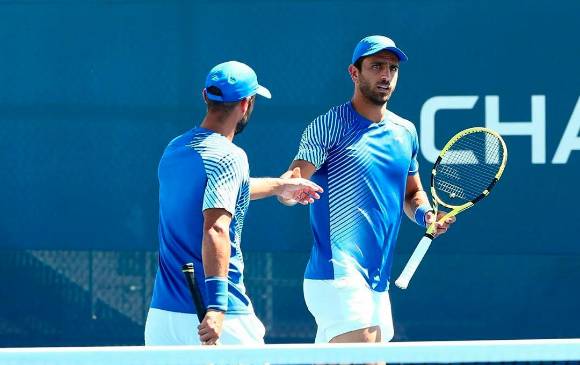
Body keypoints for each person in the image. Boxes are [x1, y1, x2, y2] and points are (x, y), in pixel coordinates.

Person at [279, 35, 455, 343]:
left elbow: (410, 194)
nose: (386, 76)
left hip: (376, 284)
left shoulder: (405, 133)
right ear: (354, 73)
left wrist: (426, 215)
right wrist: (289, 191)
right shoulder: (329, 126)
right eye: (376, 67)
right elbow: (295, 177)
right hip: (338, 275)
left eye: (392, 68)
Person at [145, 61, 323, 346]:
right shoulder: (229, 157)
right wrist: (216, 308)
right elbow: (215, 228)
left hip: (163, 319)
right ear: (246, 104)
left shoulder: (175, 149)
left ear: (206, 97)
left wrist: (281, 185)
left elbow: (220, 192)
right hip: (217, 317)